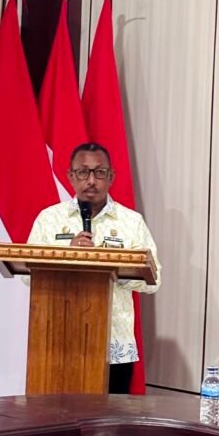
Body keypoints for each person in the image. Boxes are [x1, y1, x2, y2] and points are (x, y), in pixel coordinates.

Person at [28, 142, 161, 395]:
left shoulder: (131, 222)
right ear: (71, 176)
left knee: (109, 418)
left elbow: (154, 281)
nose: (91, 180)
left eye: (99, 172)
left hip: (114, 343)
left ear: (111, 176)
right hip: (58, 341)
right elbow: (28, 276)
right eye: (83, 172)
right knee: (56, 415)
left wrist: (112, 268)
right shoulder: (48, 219)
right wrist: (67, 256)